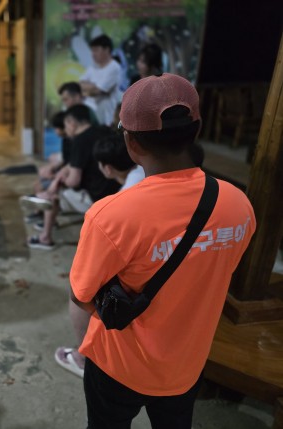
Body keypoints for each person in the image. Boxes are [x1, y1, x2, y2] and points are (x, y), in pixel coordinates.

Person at [70, 74, 256, 428]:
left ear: (131, 142)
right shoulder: (238, 204)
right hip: (187, 364)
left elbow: (82, 297)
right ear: (196, 130)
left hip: (117, 366)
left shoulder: (110, 216)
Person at [55, 131, 145, 377]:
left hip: (139, 271)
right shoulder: (146, 172)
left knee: (79, 290)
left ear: (107, 168)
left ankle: (85, 359)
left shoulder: (121, 200)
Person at [22, 104, 120, 250]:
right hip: (117, 191)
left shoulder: (80, 140)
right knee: (53, 186)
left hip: (97, 197)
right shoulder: (102, 130)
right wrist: (59, 176)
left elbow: (74, 181)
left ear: (71, 122)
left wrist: (57, 181)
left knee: (52, 196)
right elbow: (75, 164)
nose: (66, 129)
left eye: (66, 124)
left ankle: (45, 238)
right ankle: (47, 215)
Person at [79, 35, 122, 126]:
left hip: (106, 117)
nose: (93, 54)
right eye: (92, 50)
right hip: (89, 114)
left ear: (106, 50)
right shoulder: (92, 67)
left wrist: (87, 90)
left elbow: (99, 91)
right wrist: (93, 87)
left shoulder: (114, 67)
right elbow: (79, 85)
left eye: (96, 50)